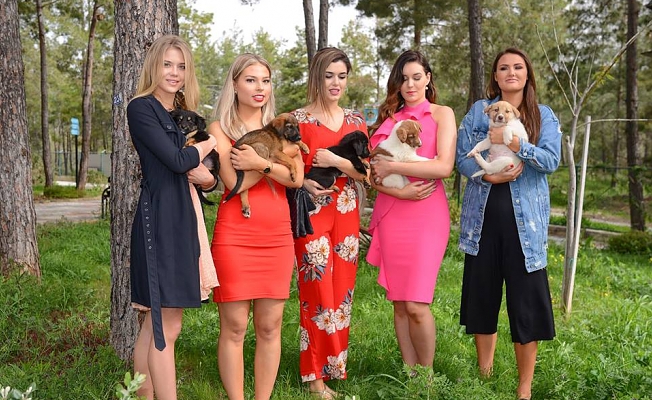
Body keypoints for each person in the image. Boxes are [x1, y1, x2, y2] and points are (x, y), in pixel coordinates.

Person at [455, 47, 561, 400]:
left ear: (527, 74)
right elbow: (461, 158)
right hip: (483, 221)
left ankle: (524, 386)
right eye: (503, 68)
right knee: (482, 298)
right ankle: (484, 376)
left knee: (525, 304)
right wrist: (487, 176)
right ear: (496, 76)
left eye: (518, 67)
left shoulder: (543, 115)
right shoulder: (478, 111)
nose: (511, 72)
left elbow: (551, 160)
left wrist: (516, 144)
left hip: (526, 226)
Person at [208, 53, 304, 400]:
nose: (259, 87)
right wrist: (275, 164)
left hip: (277, 234)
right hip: (235, 234)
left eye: (265, 80)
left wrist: (259, 162)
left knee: (269, 327)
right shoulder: (219, 130)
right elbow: (234, 183)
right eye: (250, 80)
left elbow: (297, 179)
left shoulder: (283, 126)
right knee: (234, 327)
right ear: (234, 85)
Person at [127, 34, 218, 400]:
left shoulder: (181, 112)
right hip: (160, 220)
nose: (174, 72)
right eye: (167, 64)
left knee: (154, 326)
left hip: (185, 216)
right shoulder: (141, 108)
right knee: (167, 325)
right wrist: (209, 143)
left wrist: (209, 180)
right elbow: (178, 161)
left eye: (181, 66)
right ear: (154, 66)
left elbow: (204, 176)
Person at [365, 50, 457, 370]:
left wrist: (394, 165)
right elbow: (373, 176)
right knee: (400, 303)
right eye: (404, 79)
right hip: (393, 210)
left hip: (428, 214)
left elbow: (444, 167)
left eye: (417, 77)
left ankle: (427, 377)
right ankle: (410, 375)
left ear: (428, 78)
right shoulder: (389, 120)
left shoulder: (442, 114)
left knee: (417, 303)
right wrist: (399, 190)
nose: (410, 84)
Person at [290, 47, 368, 399]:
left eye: (342, 76)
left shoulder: (356, 121)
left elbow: (366, 174)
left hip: (347, 211)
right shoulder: (298, 120)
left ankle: (334, 366)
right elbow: (286, 167)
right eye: (329, 76)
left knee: (341, 292)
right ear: (317, 78)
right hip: (312, 213)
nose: (336, 83)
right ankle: (313, 376)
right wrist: (302, 182)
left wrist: (338, 161)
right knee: (317, 291)